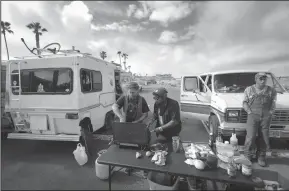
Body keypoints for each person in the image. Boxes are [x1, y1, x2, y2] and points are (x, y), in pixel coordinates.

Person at [112, 81, 150, 175]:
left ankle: (143, 168)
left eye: (133, 92)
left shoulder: (142, 100)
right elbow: (114, 106)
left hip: (137, 126)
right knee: (127, 147)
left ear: (138, 91)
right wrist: (121, 116)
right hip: (126, 126)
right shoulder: (124, 98)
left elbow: (145, 114)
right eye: (129, 92)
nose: (131, 94)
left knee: (141, 146)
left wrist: (137, 121)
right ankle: (129, 166)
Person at [243, 72, 277, 167]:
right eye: (260, 78)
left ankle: (261, 156)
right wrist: (249, 112)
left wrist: (270, 113)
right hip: (252, 115)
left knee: (264, 136)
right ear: (256, 79)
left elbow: (273, 103)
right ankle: (247, 155)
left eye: (264, 79)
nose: (263, 80)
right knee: (251, 136)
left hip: (266, 116)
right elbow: (245, 102)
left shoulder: (271, 91)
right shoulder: (249, 90)